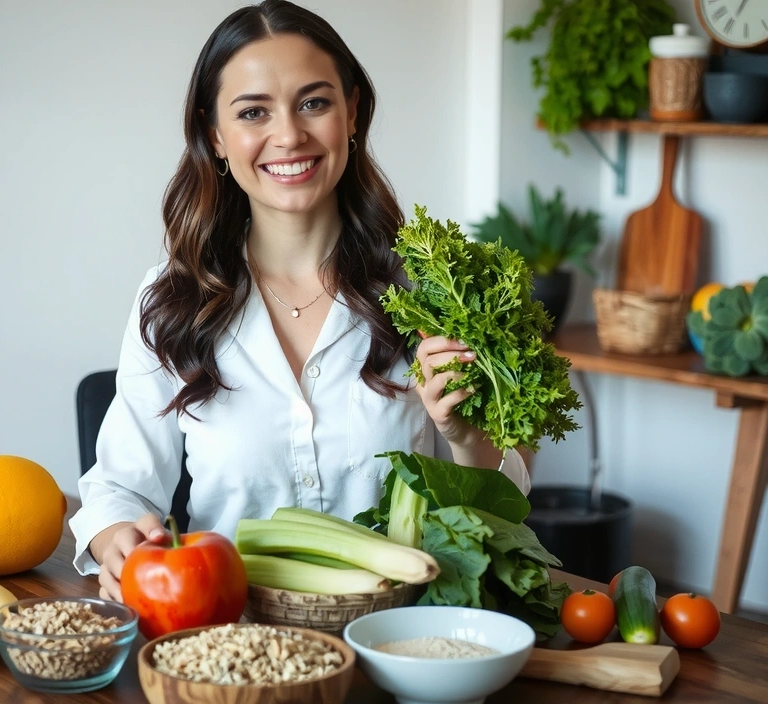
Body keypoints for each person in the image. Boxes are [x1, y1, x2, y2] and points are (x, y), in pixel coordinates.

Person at [70, 0, 531, 602]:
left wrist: (468, 437)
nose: (288, 135)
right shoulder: (172, 300)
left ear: (353, 113)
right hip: (228, 636)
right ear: (216, 136)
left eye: (314, 102)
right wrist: (120, 541)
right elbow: (120, 489)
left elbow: (507, 518)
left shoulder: (434, 289)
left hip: (399, 631)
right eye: (253, 111)